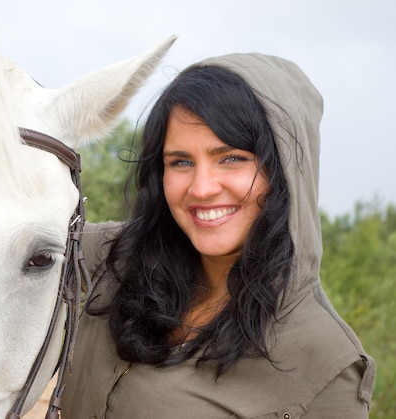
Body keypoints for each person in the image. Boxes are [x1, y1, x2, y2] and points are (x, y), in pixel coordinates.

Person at [61, 53, 374, 418]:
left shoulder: (325, 365)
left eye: (231, 158)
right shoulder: (110, 258)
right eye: (181, 161)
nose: (202, 188)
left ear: (286, 170)